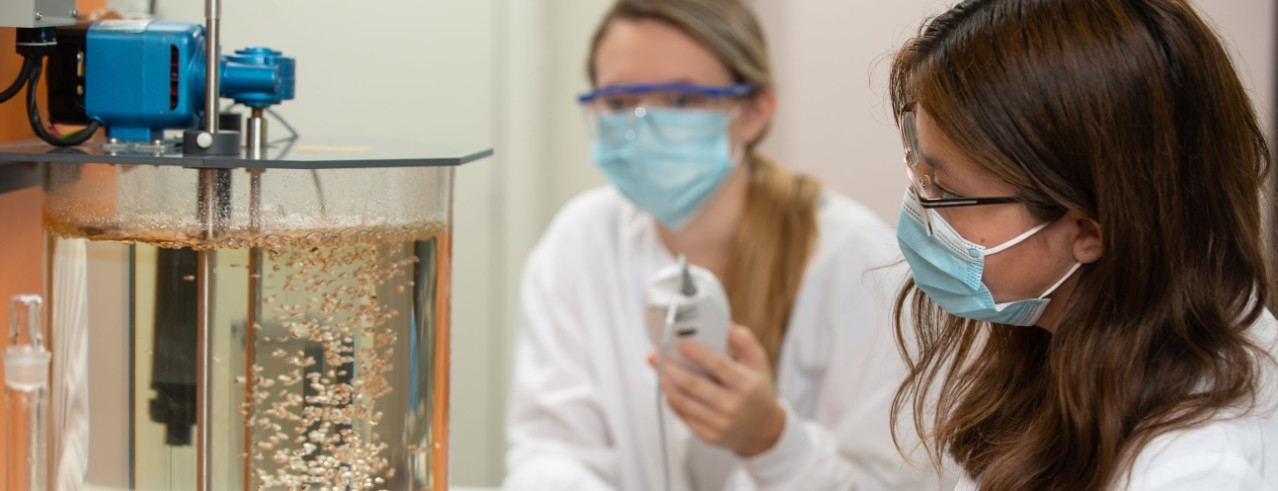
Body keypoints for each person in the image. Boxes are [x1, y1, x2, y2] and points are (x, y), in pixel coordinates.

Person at [503, 0, 945, 490]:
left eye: (681, 101)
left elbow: (898, 481)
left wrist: (773, 443)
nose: (644, 124)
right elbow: (552, 454)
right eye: (619, 101)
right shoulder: (579, 242)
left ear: (754, 111)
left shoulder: (859, 262)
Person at [888, 0, 1278, 490]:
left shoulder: (1195, 470)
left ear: (1090, 232)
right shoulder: (1080, 342)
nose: (918, 208)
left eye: (946, 190)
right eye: (919, 172)